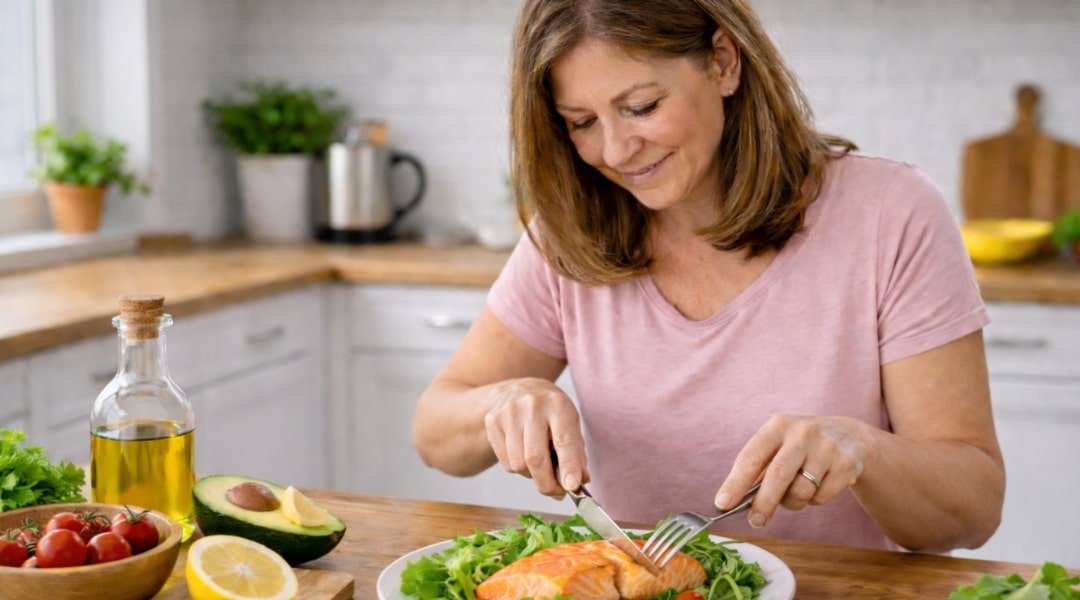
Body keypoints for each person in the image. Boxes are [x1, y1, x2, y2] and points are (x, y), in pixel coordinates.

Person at [413, 0, 1005, 553]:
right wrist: (504, 400)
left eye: (641, 107)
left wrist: (865, 451)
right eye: (581, 122)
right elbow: (436, 434)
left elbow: (973, 509)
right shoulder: (573, 231)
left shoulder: (890, 212)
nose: (615, 150)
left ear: (723, 62)